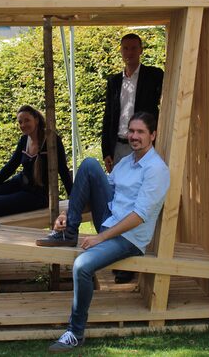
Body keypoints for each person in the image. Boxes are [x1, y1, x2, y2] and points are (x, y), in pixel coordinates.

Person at [36, 112, 169, 353]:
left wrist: (100, 237)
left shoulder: (156, 170)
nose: (135, 136)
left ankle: (75, 333)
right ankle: (69, 232)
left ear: (153, 135)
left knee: (82, 266)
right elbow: (98, 191)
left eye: (140, 132)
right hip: (110, 221)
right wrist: (68, 215)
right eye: (132, 131)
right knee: (88, 164)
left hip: (129, 237)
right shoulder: (128, 161)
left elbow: (139, 216)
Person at [102, 33, 164, 284]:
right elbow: (108, 115)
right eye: (125, 48)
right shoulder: (114, 81)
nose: (129, 52)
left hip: (141, 145)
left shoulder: (154, 76)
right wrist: (106, 149)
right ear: (121, 51)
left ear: (141, 50)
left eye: (133, 48)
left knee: (136, 202)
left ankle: (130, 263)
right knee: (118, 200)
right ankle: (117, 256)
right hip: (118, 145)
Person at [0, 105, 73, 216]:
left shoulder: (52, 140)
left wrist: (74, 199)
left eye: (27, 120)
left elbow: (63, 170)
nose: (23, 125)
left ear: (36, 120)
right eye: (20, 122)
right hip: (21, 183)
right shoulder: (24, 140)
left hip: (38, 195)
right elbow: (10, 166)